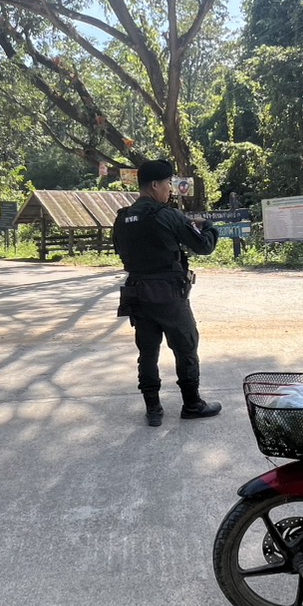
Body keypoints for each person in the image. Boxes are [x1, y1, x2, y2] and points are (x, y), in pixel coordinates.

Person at [111, 159, 221, 427]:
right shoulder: (167, 215)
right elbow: (204, 246)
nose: (170, 189)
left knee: (147, 352)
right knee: (185, 347)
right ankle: (192, 404)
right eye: (168, 183)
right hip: (169, 296)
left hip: (137, 294)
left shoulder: (122, 218)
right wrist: (208, 226)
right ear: (155, 185)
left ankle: (153, 409)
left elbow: (120, 251)